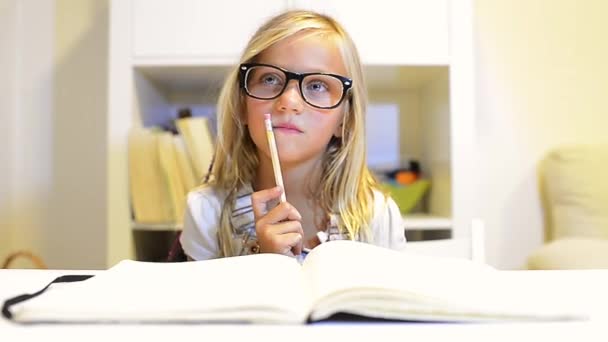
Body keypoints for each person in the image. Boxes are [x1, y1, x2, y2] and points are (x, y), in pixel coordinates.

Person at [179, 10, 406, 260]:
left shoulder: (377, 216)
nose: (288, 101)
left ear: (345, 120)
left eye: (317, 85)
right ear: (241, 104)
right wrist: (266, 262)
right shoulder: (206, 212)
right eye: (269, 78)